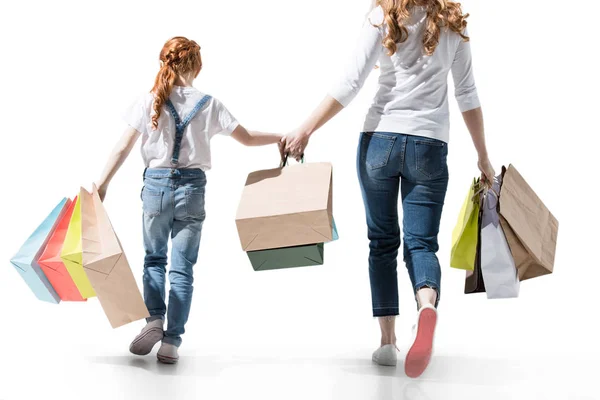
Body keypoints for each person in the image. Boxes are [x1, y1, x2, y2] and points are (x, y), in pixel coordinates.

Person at [282, 0, 495, 378]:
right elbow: (468, 94)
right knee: (421, 243)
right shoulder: (453, 22)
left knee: (382, 241)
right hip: (430, 146)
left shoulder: (382, 15)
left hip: (378, 142)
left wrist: (305, 129)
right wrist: (483, 157)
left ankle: (386, 342)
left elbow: (350, 83)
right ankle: (427, 305)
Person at [95, 36, 282, 364]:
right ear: (197, 66)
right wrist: (282, 137)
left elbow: (122, 147)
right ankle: (172, 343)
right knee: (182, 269)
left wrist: (103, 183)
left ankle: (154, 319)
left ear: (164, 62)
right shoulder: (210, 104)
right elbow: (248, 138)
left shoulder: (150, 100)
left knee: (154, 259)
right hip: (193, 190)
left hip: (155, 188)